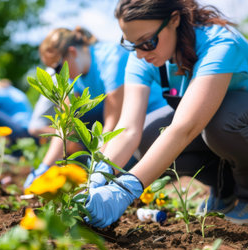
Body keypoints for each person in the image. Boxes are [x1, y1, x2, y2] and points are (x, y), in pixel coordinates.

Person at [84, 0, 248, 228]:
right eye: (131, 44)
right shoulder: (145, 56)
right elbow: (129, 128)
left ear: (174, 20)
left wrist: (126, 189)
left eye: (147, 42)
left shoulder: (219, 43)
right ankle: (225, 190)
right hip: (222, 126)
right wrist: (102, 171)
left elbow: (185, 126)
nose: (140, 54)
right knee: (148, 135)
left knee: (221, 121)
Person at [24, 27, 170, 189]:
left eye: (58, 68)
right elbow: (65, 124)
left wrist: (97, 168)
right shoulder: (74, 77)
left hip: (151, 115)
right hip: (126, 124)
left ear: (72, 52)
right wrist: (44, 167)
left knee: (121, 170)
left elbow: (112, 122)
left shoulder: (110, 59)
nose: (58, 75)